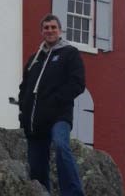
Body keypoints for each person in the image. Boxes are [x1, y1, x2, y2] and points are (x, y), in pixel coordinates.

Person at [18, 14, 86, 196]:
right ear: (42, 31)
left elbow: (78, 83)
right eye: (46, 27)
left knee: (61, 145)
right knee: (37, 168)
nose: (50, 31)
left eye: (53, 27)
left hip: (59, 116)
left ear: (60, 30)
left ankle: (73, 193)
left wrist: (55, 101)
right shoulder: (34, 59)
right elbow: (24, 87)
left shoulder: (70, 53)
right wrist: (23, 112)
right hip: (35, 121)